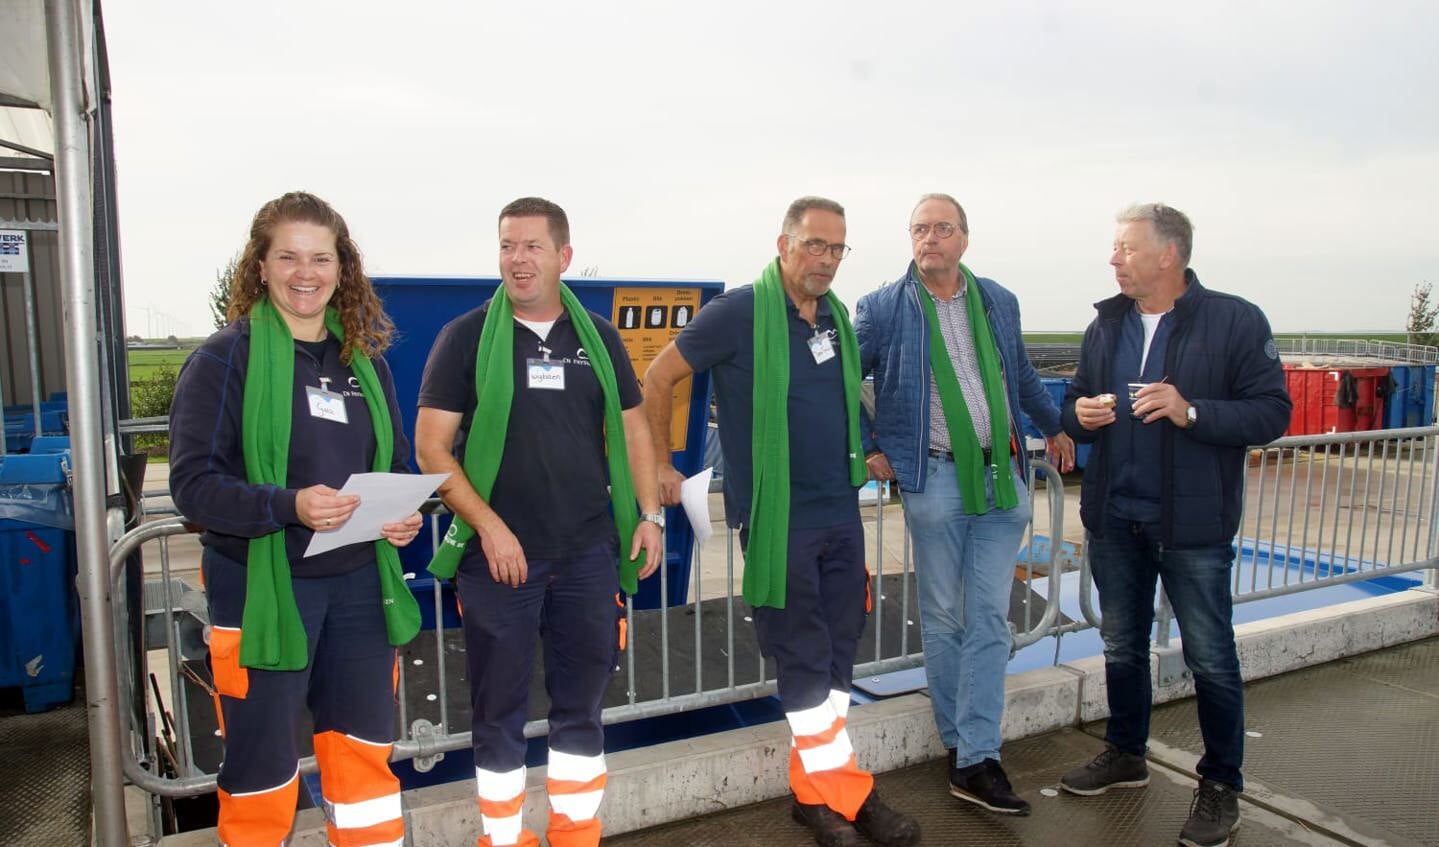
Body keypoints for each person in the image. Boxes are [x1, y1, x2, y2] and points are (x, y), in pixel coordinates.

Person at [644, 197, 921, 847]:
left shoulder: (833, 321)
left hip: (838, 509)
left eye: (836, 248)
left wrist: (866, 447)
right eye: (813, 245)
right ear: (783, 244)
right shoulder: (739, 312)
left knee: (833, 653)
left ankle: (814, 793)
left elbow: (834, 403)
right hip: (779, 518)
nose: (824, 259)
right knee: (801, 657)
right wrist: (659, 462)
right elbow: (658, 377)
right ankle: (848, 790)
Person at [169, 191, 423, 847]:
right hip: (263, 590)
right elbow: (193, 487)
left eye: (320, 257)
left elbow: (393, 463)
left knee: (364, 753)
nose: (304, 272)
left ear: (343, 270)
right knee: (261, 768)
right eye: (288, 257)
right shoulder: (225, 358)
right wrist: (289, 505)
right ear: (260, 266)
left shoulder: (365, 362)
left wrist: (401, 516)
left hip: (360, 588)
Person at [414, 197, 663, 847]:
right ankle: (501, 838)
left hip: (586, 554)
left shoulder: (599, 337)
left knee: (581, 707)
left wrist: (649, 514)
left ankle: (575, 832)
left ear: (564, 256)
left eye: (530, 246)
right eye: (506, 245)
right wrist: (490, 527)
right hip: (497, 560)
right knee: (497, 711)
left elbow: (633, 428)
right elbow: (430, 448)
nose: (516, 259)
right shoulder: (465, 337)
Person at [1058, 203, 1291, 847]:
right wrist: (1079, 414)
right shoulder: (1105, 325)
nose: (1114, 260)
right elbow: (1073, 406)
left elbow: (1272, 413)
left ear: (1169, 255)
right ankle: (1125, 754)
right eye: (1114, 249)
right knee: (1121, 646)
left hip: (1192, 527)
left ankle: (1220, 786)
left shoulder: (1235, 321)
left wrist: (1191, 413)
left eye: (1126, 249)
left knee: (1211, 659)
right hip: (1116, 519)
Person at [854, 193, 1076, 817]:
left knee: (986, 616)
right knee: (946, 617)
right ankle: (966, 748)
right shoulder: (881, 307)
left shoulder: (997, 300)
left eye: (942, 229)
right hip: (935, 478)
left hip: (1000, 476)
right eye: (920, 229)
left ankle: (974, 753)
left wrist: (1054, 425)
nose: (930, 239)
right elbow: (846, 378)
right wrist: (867, 447)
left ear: (965, 239)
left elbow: (1021, 375)